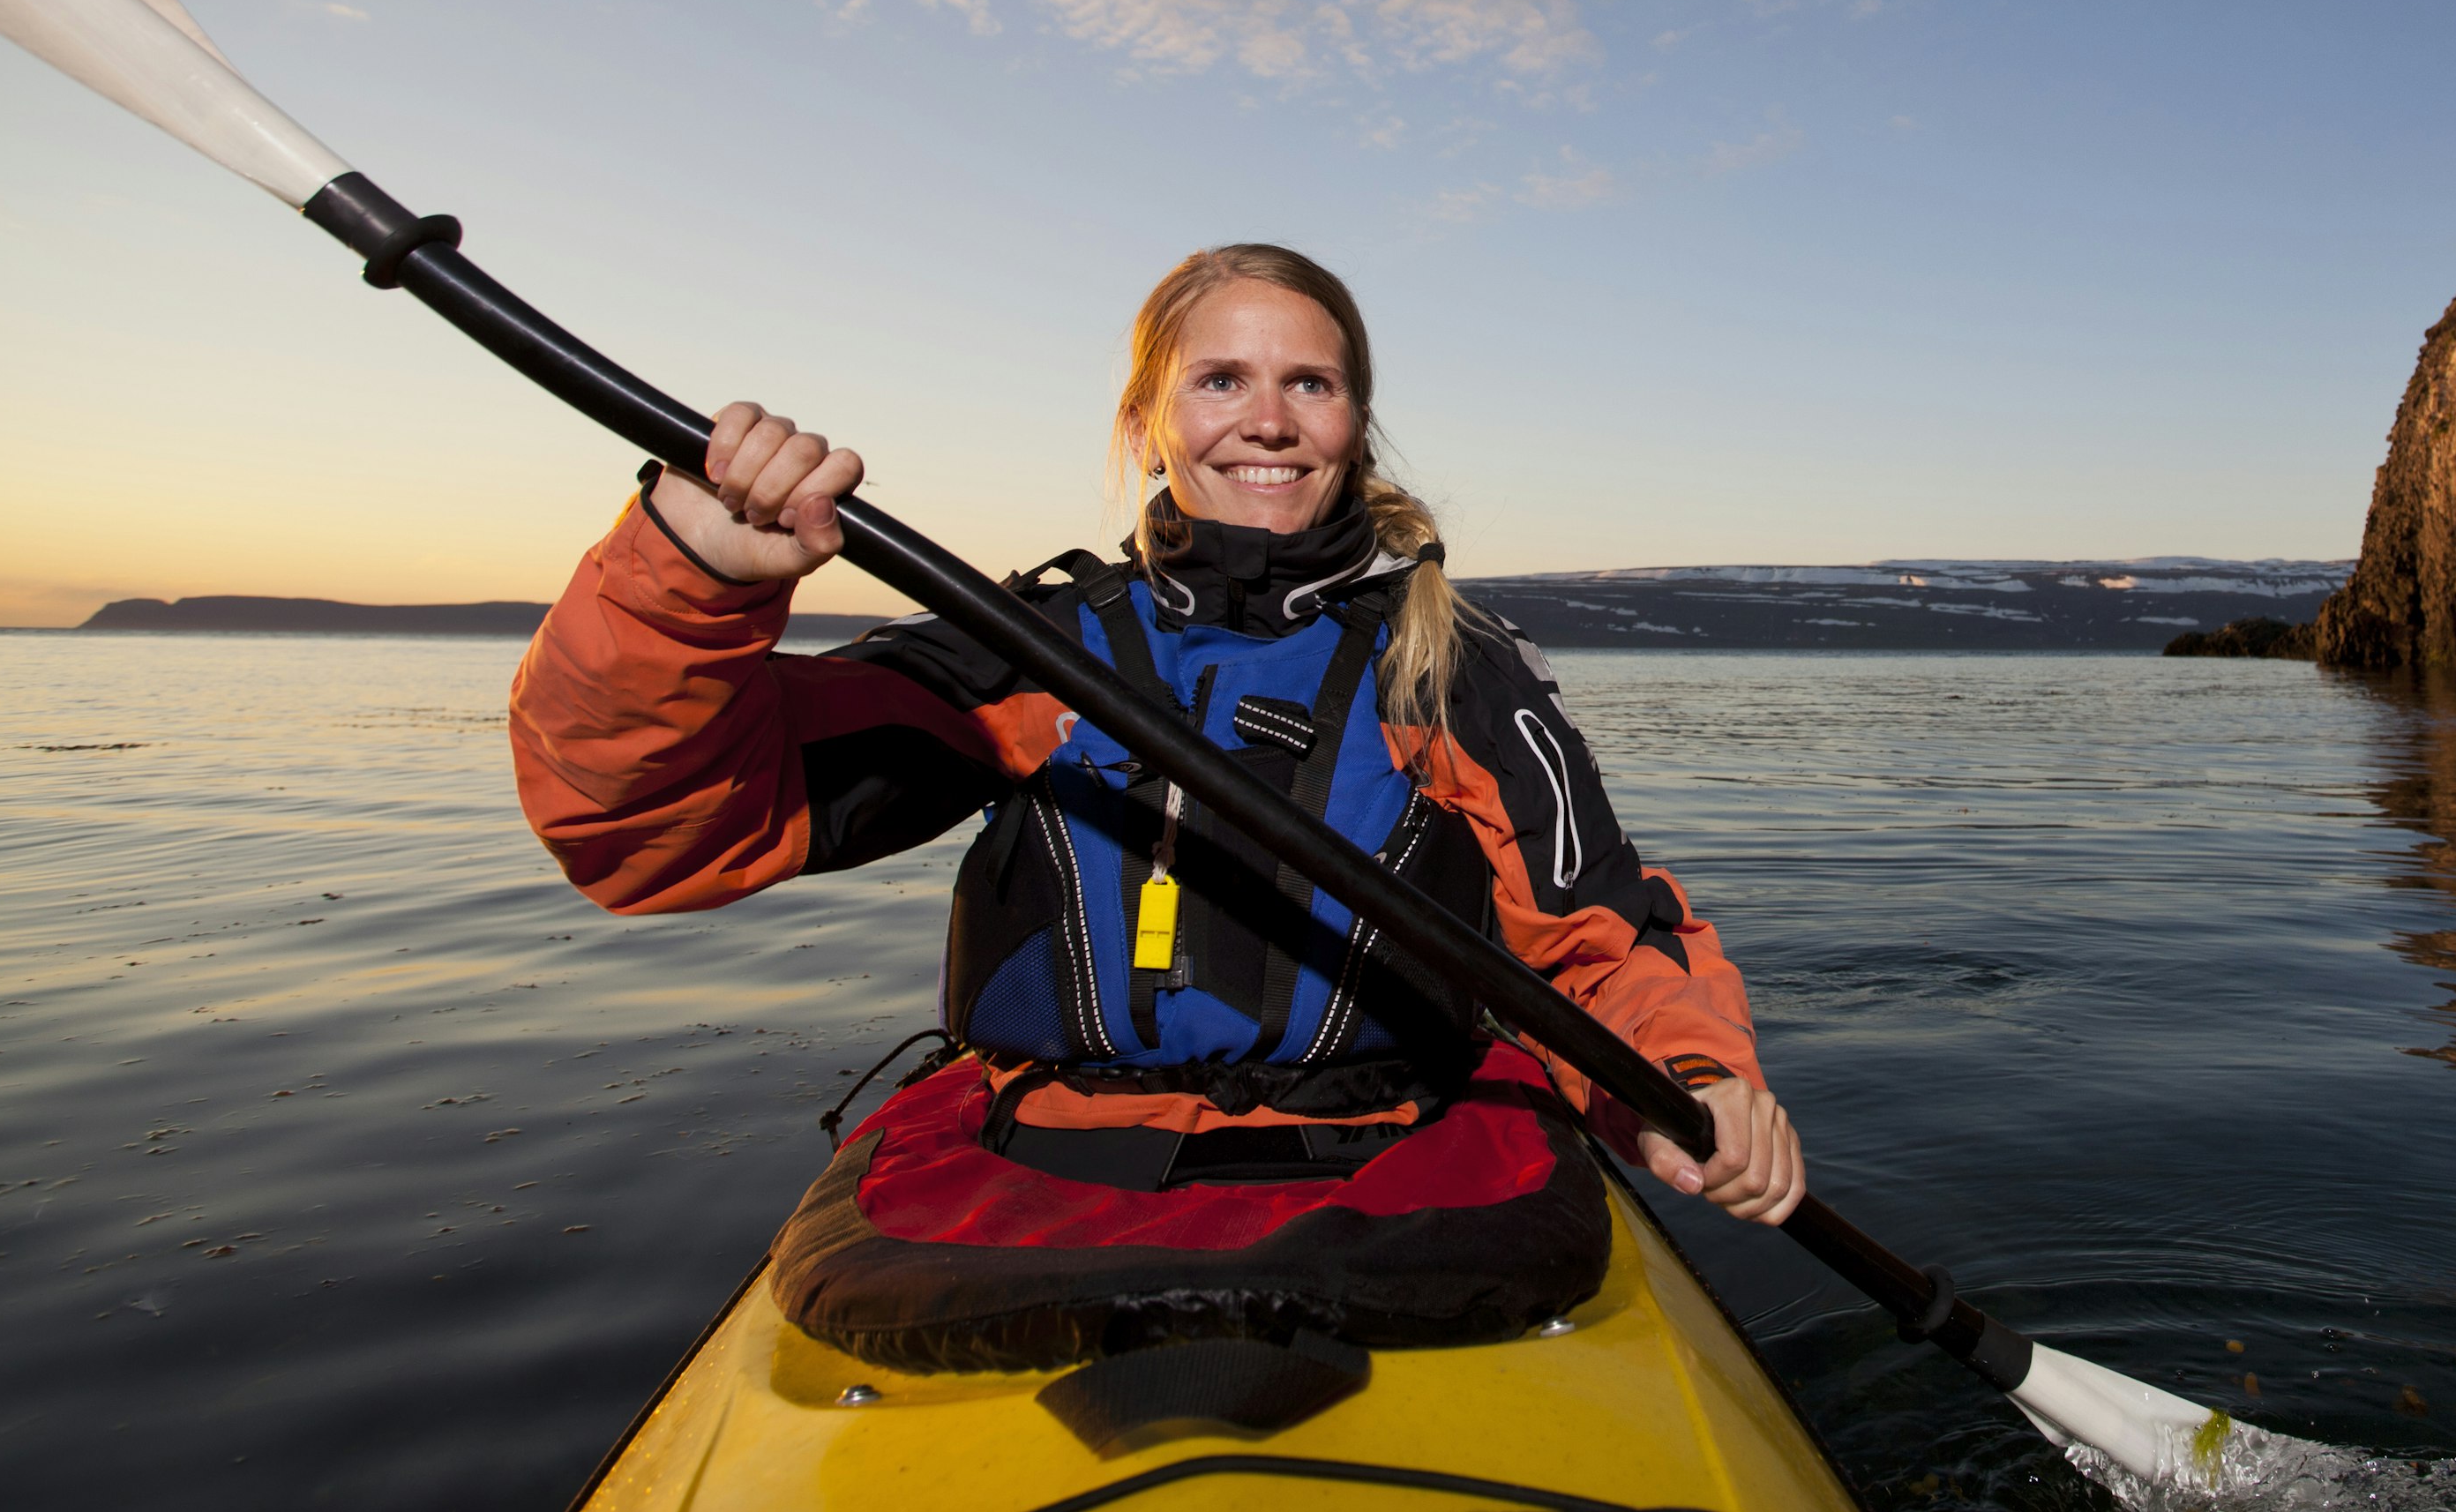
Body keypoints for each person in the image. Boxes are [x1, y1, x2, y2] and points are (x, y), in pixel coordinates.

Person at [505, 242, 1802, 1226]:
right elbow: (652, 836)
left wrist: (1696, 1075)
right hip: (1041, 1171)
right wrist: (687, 582)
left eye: (1313, 384)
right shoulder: (1031, 647)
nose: (1272, 418)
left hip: (1388, 1168)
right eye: (1223, 379)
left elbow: (1598, 936)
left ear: (1353, 427)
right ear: (1147, 421)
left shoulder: (1449, 663)